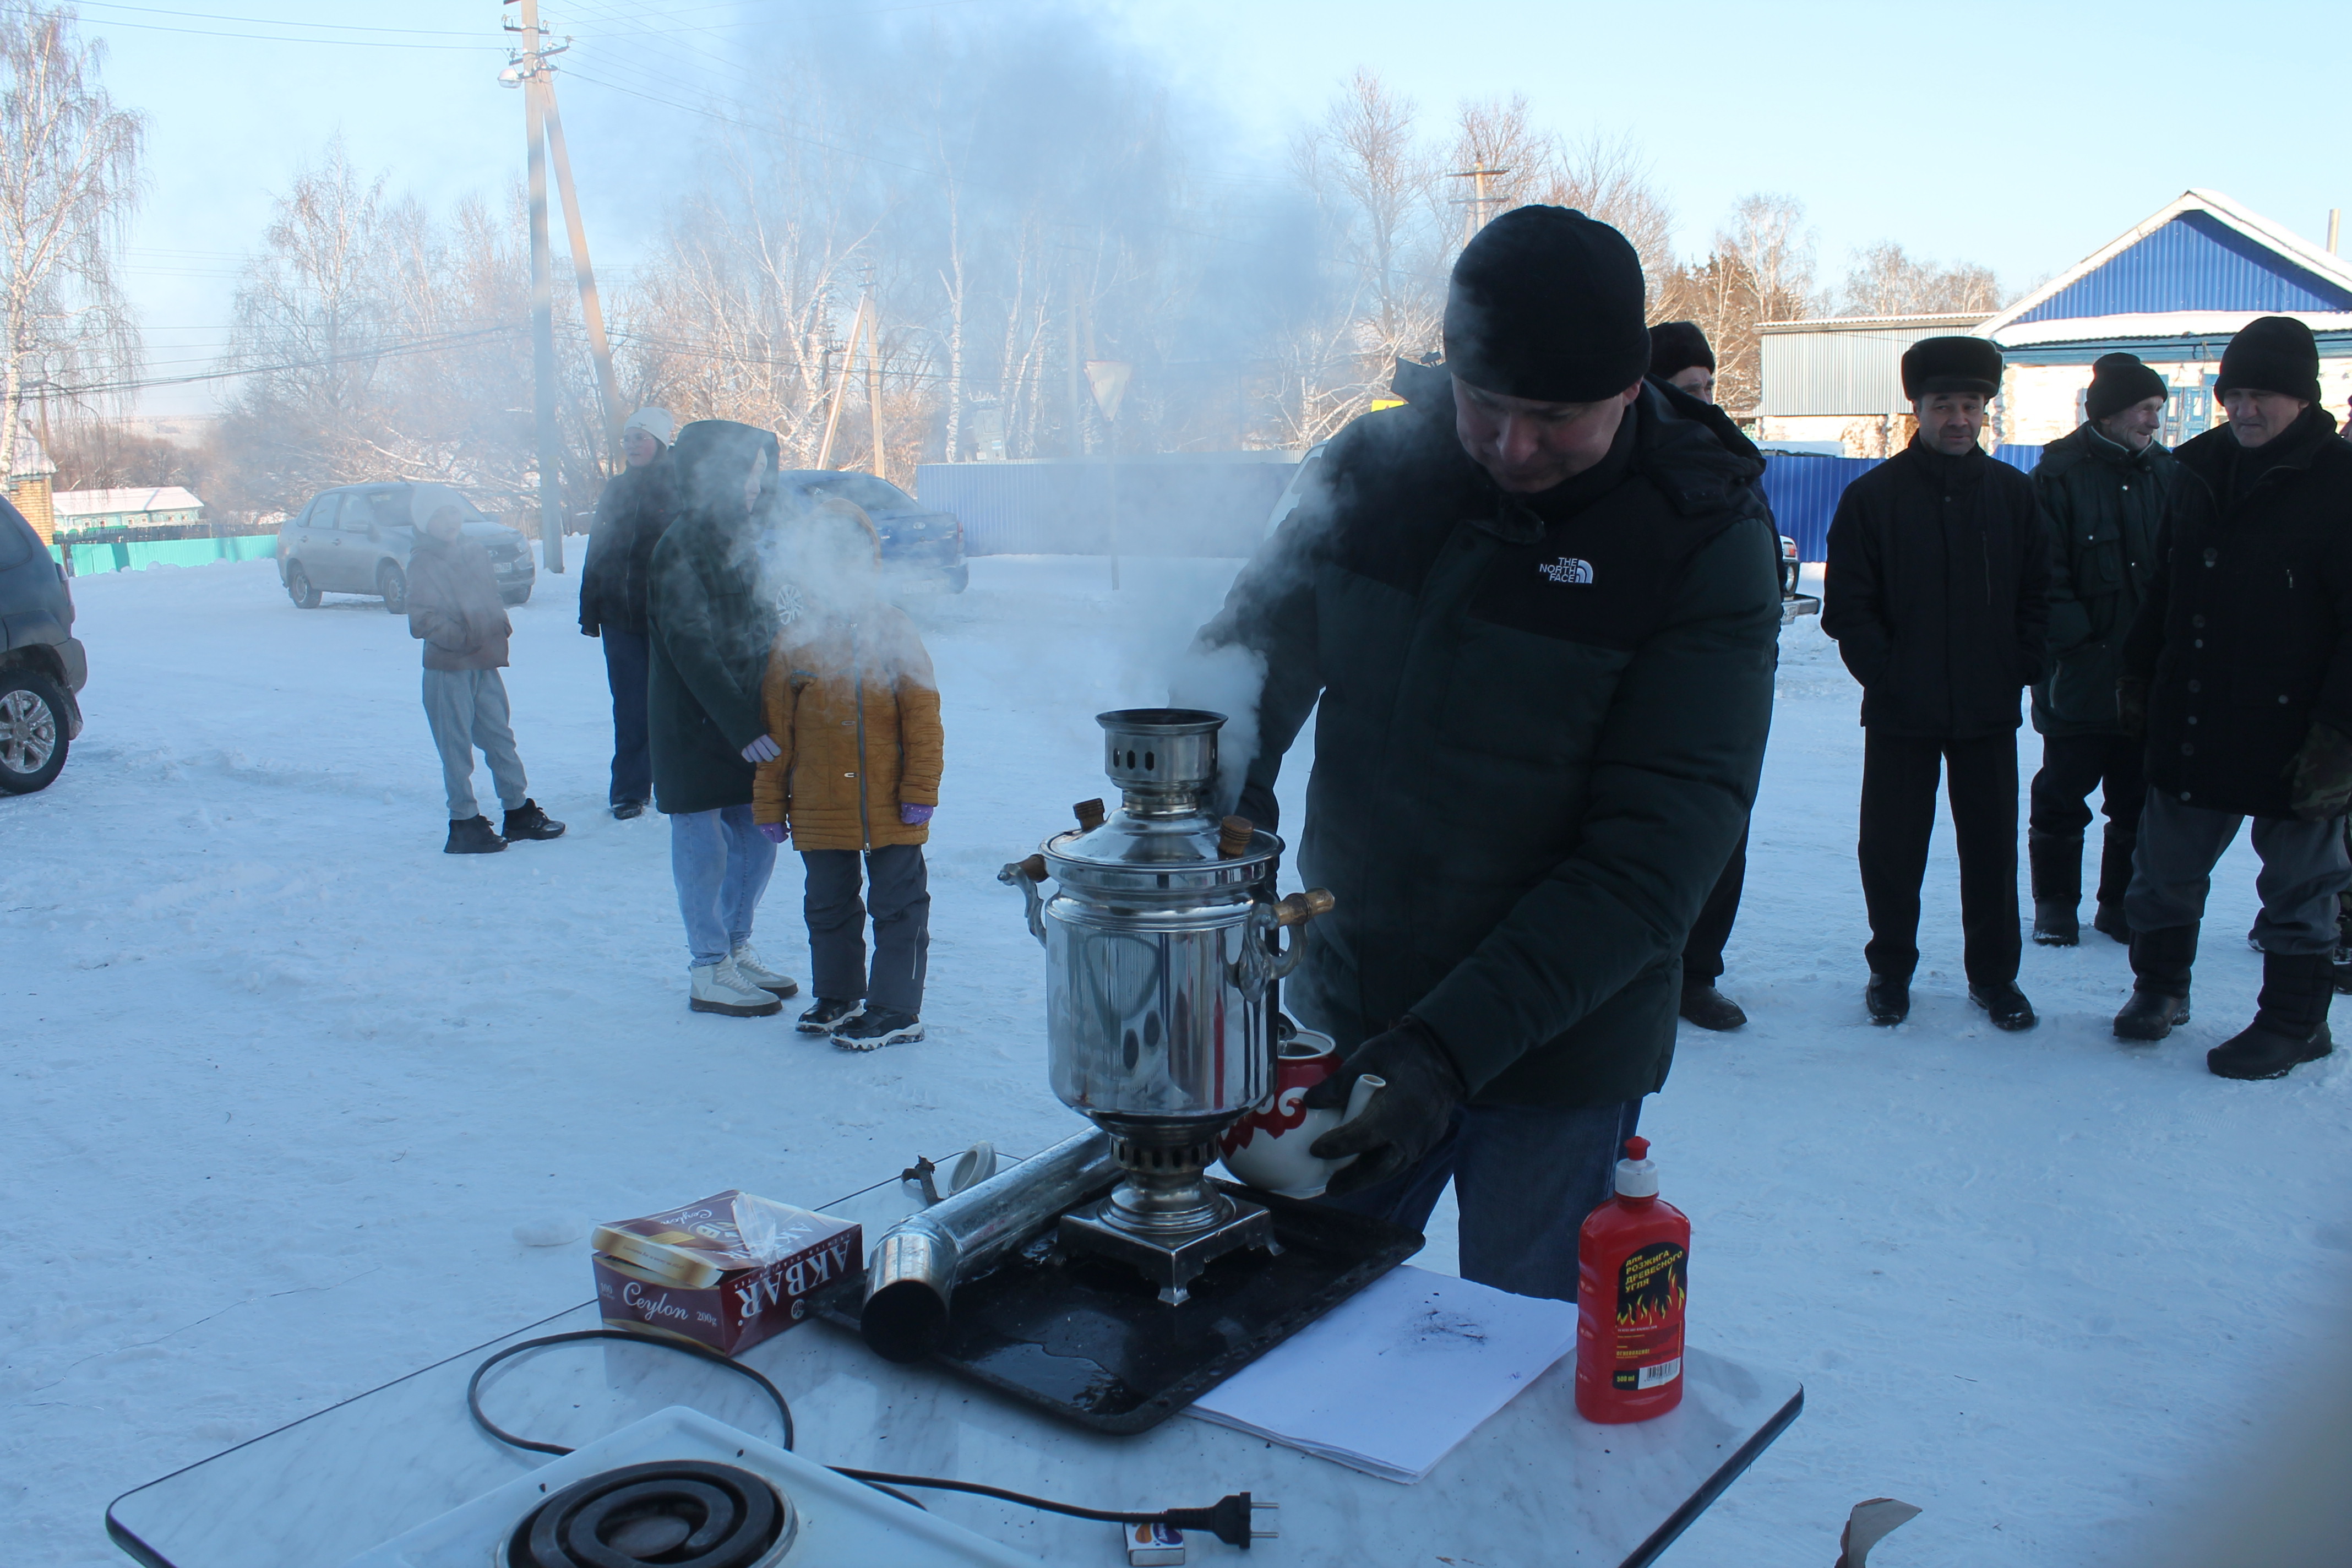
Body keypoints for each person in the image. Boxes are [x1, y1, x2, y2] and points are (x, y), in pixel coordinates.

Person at [1190, 206, 1781, 1303]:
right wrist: (1190, 823)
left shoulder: (1699, 537)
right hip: (1348, 1002)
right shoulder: (1376, 464)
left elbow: (1655, 857)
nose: (1513, 446)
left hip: (1559, 1050)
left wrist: (1445, 1052)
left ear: (1628, 390)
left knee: (1520, 1365)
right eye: (1486, 405)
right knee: (1283, 1322)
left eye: (1553, 418)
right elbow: (1250, 653)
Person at [2112, 315, 2352, 1080]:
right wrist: (2139, 672)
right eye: (2234, 393)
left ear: (2304, 400)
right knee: (2166, 865)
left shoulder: (2341, 483)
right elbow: (2168, 585)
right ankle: (2160, 990)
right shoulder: (2199, 469)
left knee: (2301, 883)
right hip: (2200, 705)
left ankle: (2294, 1023)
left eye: (2265, 396)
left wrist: (2341, 734)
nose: (2245, 410)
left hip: (2302, 723)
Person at [1821, 337, 2050, 1030]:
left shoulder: (2014, 496)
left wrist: (2019, 665)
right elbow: (1849, 607)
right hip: (1900, 711)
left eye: (1971, 405)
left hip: (1987, 709)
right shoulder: (1874, 498)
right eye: (1943, 405)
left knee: (1990, 850)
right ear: (1916, 408)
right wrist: (1888, 672)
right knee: (1891, 851)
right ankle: (1890, 970)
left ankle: (1996, 978)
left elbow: (2040, 594)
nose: (1958, 418)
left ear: (1987, 411)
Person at [752, 500, 942, 1049]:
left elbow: (924, 718)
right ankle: (838, 995)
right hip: (817, 803)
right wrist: (769, 803)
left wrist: (920, 789)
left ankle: (895, 1008)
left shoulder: (893, 629)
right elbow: (776, 731)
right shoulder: (795, 640)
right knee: (828, 904)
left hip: (890, 802)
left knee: (899, 906)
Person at [646, 419, 800, 1017]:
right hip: (696, 724)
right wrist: (743, 724)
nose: (755, 488)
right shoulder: (679, 547)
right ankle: (708, 965)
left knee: (757, 839)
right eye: (746, 475)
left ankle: (736, 946)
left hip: (745, 721)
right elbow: (694, 647)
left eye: (761, 475)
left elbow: (760, 627)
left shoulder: (740, 540)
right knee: (703, 842)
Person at [2026, 354, 2176, 946]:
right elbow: (2044, 573)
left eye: (2158, 411)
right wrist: (2078, 646)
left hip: (2147, 675)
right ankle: (2055, 905)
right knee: (2062, 794)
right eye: (2146, 410)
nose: (2154, 423)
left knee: (2137, 798)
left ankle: (2119, 904)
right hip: (2078, 675)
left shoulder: (2170, 475)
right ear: (2110, 414)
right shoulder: (2058, 475)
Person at [1650, 318, 1758, 1031]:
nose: (1705, 401)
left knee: (1722, 830)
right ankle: (1641, 973)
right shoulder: (1636, 463)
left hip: (1730, 679)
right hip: (1656, 679)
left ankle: (1697, 974)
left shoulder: (1730, 458)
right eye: (1688, 388)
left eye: (1710, 386)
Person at [405, 484, 564, 854]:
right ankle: (463, 822)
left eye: (453, 512)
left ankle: (518, 811)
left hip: (484, 662)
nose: (449, 521)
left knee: (499, 737)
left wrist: (499, 624)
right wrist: (462, 638)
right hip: (448, 667)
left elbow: (490, 596)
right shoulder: (423, 561)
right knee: (456, 746)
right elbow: (421, 620)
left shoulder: (474, 551)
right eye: (439, 515)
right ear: (424, 522)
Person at [579, 407, 678, 820]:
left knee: (671, 706)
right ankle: (630, 791)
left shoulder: (678, 489)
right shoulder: (615, 490)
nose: (634, 445)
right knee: (630, 707)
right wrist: (591, 608)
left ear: (660, 442)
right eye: (628, 439)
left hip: (665, 619)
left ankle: (676, 786)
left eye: (641, 437)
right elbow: (598, 549)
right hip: (620, 618)